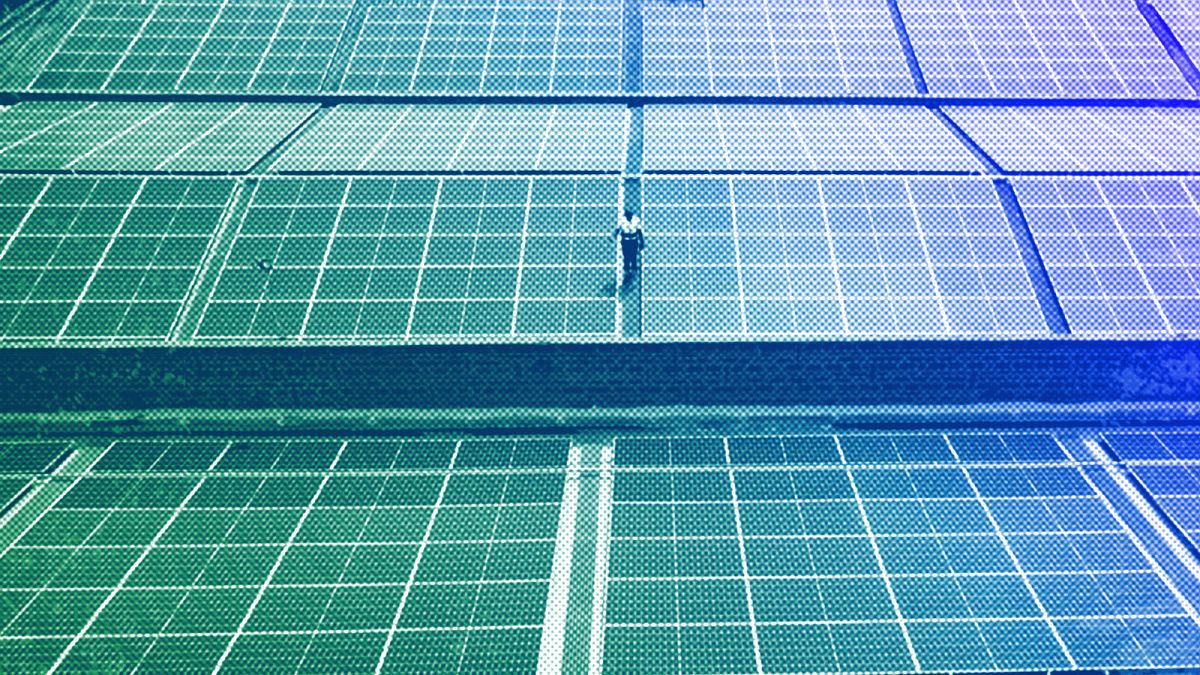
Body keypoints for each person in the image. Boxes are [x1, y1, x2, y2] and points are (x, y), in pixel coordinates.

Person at [614, 210, 645, 279]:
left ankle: (634, 269)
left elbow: (639, 231)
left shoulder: (636, 220)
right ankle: (626, 270)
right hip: (625, 241)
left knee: (633, 255)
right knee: (626, 256)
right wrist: (614, 235)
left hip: (634, 241)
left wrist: (642, 242)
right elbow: (618, 229)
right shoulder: (622, 220)